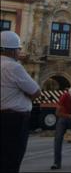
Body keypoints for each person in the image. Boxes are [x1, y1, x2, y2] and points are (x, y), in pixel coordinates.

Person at [1, 31, 41, 173]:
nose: (20, 51)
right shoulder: (14, 67)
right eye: (18, 49)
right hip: (14, 120)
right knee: (12, 159)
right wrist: (25, 95)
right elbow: (36, 92)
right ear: (12, 50)